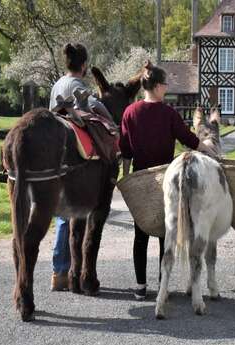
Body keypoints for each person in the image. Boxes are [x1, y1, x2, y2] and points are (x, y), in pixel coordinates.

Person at [120, 61, 212, 301]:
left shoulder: (130, 113)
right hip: (167, 181)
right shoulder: (168, 113)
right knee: (165, 233)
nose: (167, 88)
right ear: (158, 86)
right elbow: (188, 139)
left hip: (140, 180)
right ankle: (163, 284)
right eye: (166, 84)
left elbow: (125, 149)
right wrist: (209, 151)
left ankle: (140, 287)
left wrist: (127, 177)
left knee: (140, 235)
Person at [49, 43, 111, 291]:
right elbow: (97, 110)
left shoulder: (57, 85)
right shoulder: (79, 86)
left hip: (53, 154)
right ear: (84, 65)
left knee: (60, 217)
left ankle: (58, 272)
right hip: (73, 157)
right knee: (68, 218)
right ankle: (65, 270)